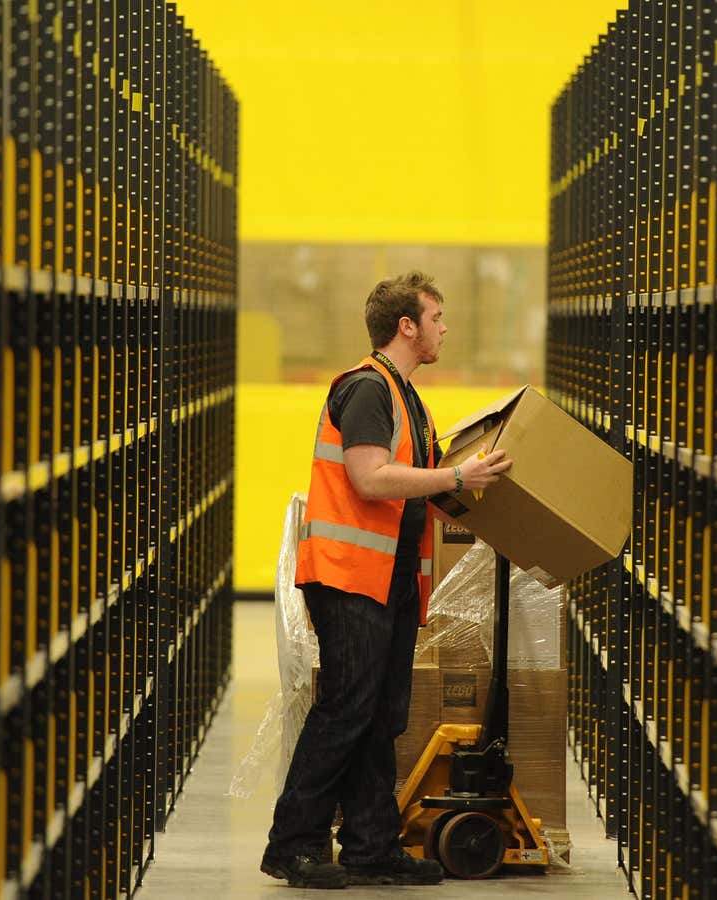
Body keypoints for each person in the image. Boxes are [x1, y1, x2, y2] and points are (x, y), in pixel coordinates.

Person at [260, 272, 515, 889]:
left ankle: (371, 846)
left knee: (381, 716)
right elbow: (371, 478)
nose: (444, 328)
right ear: (408, 325)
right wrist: (459, 479)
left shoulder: (407, 398)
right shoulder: (368, 389)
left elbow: (413, 481)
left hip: (390, 581)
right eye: (437, 317)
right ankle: (291, 845)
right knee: (346, 712)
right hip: (350, 578)